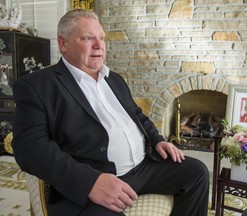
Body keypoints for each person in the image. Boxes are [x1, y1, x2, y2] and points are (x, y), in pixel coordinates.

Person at [11, 9, 209, 216]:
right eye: (88, 38)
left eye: (101, 38)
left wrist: (157, 140)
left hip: (144, 168)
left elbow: (137, 115)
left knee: (197, 173)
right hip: (96, 178)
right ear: (63, 44)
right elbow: (29, 148)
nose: (99, 45)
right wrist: (90, 182)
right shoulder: (37, 86)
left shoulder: (114, 79)